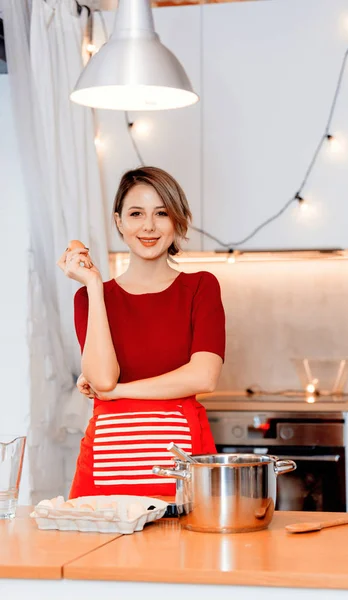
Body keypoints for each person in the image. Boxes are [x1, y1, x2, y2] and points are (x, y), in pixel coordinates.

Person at [57, 166, 226, 498]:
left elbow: (204, 376)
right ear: (119, 222)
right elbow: (103, 380)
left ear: (177, 220)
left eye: (161, 213)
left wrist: (120, 393)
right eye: (136, 213)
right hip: (106, 463)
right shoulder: (90, 298)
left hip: (182, 461)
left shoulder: (200, 287)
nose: (149, 226)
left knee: (187, 549)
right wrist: (93, 284)